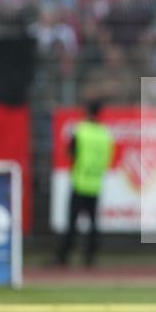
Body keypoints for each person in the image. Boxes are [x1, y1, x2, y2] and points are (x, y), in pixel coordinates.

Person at [56, 100, 115, 268]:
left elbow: (70, 153)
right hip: (96, 183)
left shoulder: (81, 131)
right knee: (93, 224)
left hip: (80, 182)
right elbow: (108, 158)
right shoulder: (104, 134)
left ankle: (64, 256)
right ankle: (90, 257)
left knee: (72, 222)